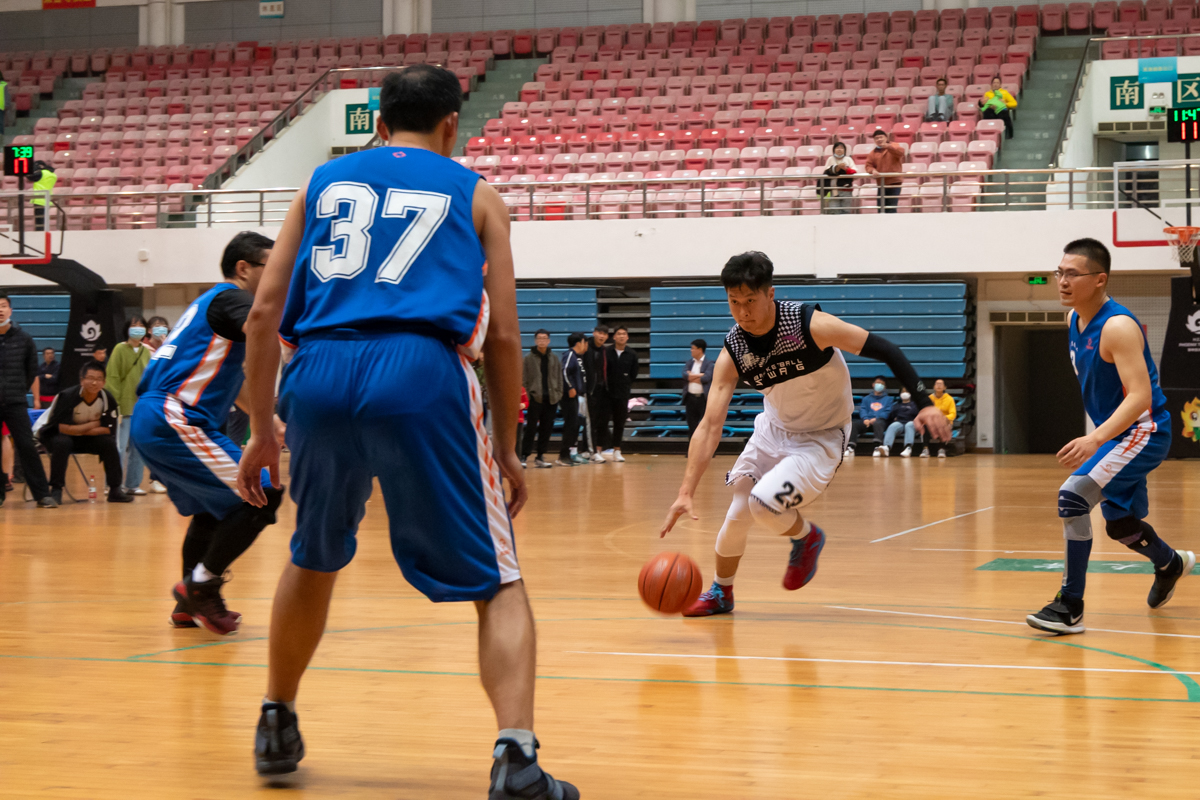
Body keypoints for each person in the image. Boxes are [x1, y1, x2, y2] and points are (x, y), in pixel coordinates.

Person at [235, 65, 578, 797]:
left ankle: (276, 718)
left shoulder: (319, 185)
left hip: (319, 372)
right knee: (500, 577)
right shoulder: (478, 194)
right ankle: (516, 757)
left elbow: (264, 313)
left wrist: (263, 430)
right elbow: (508, 336)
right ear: (453, 124)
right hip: (422, 370)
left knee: (312, 553)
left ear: (380, 125)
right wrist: (509, 447)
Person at [660, 252, 949, 617]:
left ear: (770, 294)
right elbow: (709, 425)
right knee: (737, 512)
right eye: (734, 303)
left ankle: (806, 536)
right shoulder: (734, 350)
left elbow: (887, 350)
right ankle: (722, 592)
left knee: (763, 504)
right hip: (772, 430)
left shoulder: (809, 324)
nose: (743, 312)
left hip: (822, 437)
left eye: (750, 301)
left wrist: (924, 402)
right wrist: (685, 492)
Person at [1027, 238, 1192, 636]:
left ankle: (1070, 605)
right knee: (1120, 524)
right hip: (1121, 435)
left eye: (1072, 274)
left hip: (1144, 432)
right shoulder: (1073, 320)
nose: (1062, 281)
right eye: (1059, 272)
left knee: (1073, 496)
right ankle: (1169, 562)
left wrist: (1095, 438)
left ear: (1100, 280)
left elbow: (1140, 397)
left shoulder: (1117, 326)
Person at [131, 231, 286, 636]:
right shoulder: (235, 299)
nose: (280, 272)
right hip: (175, 416)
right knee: (263, 491)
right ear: (244, 268)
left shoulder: (208, 303)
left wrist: (268, 421)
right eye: (272, 264)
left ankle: (188, 604)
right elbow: (263, 325)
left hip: (160, 417)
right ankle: (202, 586)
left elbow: (234, 385)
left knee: (212, 510)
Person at [35, 361, 132, 504]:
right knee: (62, 443)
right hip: (60, 437)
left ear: (104, 382)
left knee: (109, 443)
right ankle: (56, 490)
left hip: (87, 439)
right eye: (90, 378)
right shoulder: (66, 396)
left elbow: (108, 430)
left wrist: (78, 430)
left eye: (99, 379)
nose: (94, 383)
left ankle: (115, 489)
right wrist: (94, 424)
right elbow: (61, 428)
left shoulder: (108, 400)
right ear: (82, 380)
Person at [0, 293, 55, 508]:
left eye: (3, 306)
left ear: (11, 310)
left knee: (26, 446)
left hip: (15, 402)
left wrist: (16, 391)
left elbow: (31, 371)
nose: (0, 310)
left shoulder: (24, 339)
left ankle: (42, 494)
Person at [105, 316, 152, 495]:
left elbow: (149, 378)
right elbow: (113, 377)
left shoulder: (146, 352)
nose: (138, 328)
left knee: (137, 448)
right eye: (134, 325)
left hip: (140, 408)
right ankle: (114, 484)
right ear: (127, 329)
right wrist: (114, 405)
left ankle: (133, 484)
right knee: (118, 447)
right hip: (122, 408)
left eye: (141, 325)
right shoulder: (119, 349)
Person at [521, 329, 563, 468]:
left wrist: (558, 393)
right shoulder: (528, 358)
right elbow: (524, 379)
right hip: (535, 399)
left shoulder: (554, 357)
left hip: (551, 399)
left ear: (549, 340)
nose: (542, 341)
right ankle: (524, 455)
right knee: (531, 428)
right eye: (539, 338)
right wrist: (528, 395)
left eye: (545, 338)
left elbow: (559, 377)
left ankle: (540, 457)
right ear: (535, 340)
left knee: (546, 429)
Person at [603, 325, 638, 462]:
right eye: (619, 333)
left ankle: (617, 450)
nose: (622, 336)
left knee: (619, 423)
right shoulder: (606, 352)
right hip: (606, 393)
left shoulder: (632, 354)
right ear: (614, 337)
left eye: (624, 333)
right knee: (602, 422)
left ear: (627, 337)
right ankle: (599, 449)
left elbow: (633, 374)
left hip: (622, 394)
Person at [559, 332, 589, 466]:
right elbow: (564, 371)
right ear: (579, 343)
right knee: (571, 424)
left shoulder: (577, 357)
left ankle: (567, 454)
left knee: (574, 424)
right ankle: (563, 456)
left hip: (575, 396)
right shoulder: (569, 354)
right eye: (584, 341)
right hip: (567, 396)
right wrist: (570, 387)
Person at [847, 377, 893, 458]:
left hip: (880, 422)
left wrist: (877, 418)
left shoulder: (888, 399)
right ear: (873, 384)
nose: (879, 385)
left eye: (882, 384)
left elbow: (888, 411)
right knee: (854, 424)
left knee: (878, 422)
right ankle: (851, 447)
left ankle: (877, 447)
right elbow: (863, 409)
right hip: (867, 422)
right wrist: (865, 418)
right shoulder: (866, 398)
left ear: (885, 387)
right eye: (878, 383)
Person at [585, 324, 610, 461]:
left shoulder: (604, 350)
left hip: (601, 390)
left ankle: (593, 450)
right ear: (594, 333)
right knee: (589, 421)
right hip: (588, 391)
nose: (602, 336)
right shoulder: (586, 348)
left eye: (605, 334)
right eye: (599, 333)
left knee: (598, 421)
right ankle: (591, 451)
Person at [865, 129, 904, 213]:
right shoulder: (873, 153)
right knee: (881, 208)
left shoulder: (894, 145)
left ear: (886, 138)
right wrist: (872, 170)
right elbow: (868, 165)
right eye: (876, 138)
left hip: (894, 182)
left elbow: (900, 152)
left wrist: (888, 146)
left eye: (881, 137)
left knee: (891, 207)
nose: (879, 140)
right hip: (881, 183)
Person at [682, 338, 714, 438]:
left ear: (700, 350)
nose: (691, 350)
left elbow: (706, 378)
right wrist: (700, 375)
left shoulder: (709, 364)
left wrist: (692, 376)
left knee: (706, 425)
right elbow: (685, 375)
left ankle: (707, 452)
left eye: (693, 348)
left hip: (703, 399)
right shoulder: (689, 363)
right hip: (690, 398)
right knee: (691, 425)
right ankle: (692, 452)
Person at [882, 390, 920, 457]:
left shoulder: (915, 405)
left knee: (909, 425)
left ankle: (908, 448)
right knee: (893, 426)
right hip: (900, 424)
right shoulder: (897, 405)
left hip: (912, 424)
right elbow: (891, 416)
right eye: (903, 392)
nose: (904, 393)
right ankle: (886, 447)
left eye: (907, 391)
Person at [822, 141, 857, 214]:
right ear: (834, 150)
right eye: (837, 148)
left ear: (845, 150)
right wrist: (836, 168)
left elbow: (855, 172)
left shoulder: (848, 159)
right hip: (833, 190)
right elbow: (826, 172)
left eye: (841, 148)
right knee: (834, 211)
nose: (839, 149)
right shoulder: (830, 159)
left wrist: (845, 169)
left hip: (846, 190)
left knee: (846, 211)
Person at [925, 378, 957, 458]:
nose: (938, 386)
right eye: (937, 384)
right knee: (924, 425)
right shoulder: (929, 399)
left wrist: (943, 418)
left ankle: (941, 449)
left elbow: (953, 414)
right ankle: (925, 449)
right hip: (932, 421)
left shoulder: (949, 399)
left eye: (941, 384)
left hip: (945, 421)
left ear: (944, 387)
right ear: (934, 387)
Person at [29, 161, 57, 232]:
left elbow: (30, 177)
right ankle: (44, 232)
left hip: (39, 200)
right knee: (44, 219)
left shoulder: (41, 173)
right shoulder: (53, 174)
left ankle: (40, 234)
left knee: (39, 221)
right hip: (47, 199)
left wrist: (33, 170)